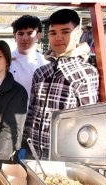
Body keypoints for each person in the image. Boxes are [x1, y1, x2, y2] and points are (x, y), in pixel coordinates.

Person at [23, 9, 99, 159]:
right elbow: (32, 111)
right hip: (35, 153)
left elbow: (89, 121)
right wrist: (25, 144)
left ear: (77, 33)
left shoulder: (86, 73)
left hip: (64, 157)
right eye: (53, 33)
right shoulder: (41, 72)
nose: (58, 38)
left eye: (65, 32)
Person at [9, 15, 45, 101]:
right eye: (20, 33)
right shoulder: (5, 60)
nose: (25, 38)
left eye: (30, 33)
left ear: (38, 36)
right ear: (14, 36)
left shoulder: (45, 62)